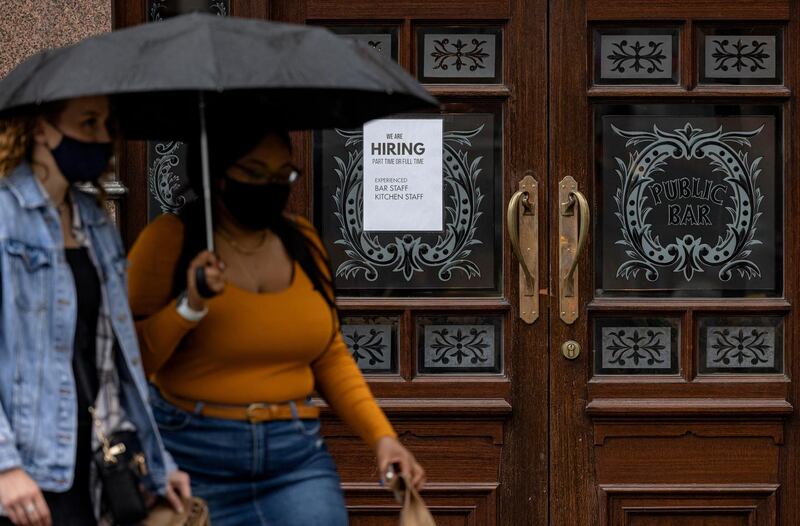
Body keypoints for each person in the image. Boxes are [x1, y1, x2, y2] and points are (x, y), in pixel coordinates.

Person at [128, 129, 426, 526]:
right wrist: (191, 304)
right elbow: (132, 358)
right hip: (194, 455)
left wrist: (382, 437)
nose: (270, 186)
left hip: (295, 455)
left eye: (283, 174)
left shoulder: (303, 241)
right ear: (218, 174)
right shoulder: (170, 241)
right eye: (254, 173)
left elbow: (329, 355)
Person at [0, 96, 191, 526]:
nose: (104, 138)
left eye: (107, 124)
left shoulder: (94, 222)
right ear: (40, 129)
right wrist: (5, 467)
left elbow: (114, 356)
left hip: (101, 462)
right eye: (88, 123)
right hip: (28, 474)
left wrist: (158, 465)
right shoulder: (4, 217)